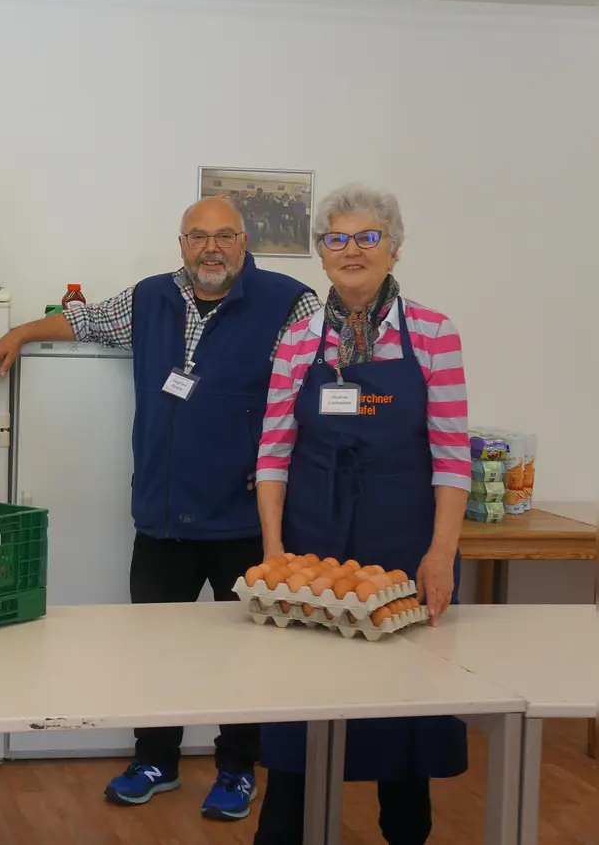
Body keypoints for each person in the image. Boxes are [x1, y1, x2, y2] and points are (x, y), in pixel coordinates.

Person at [0, 196, 320, 821]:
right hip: (163, 517)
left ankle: (237, 767)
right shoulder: (149, 299)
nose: (211, 248)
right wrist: (20, 332)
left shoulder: (289, 303)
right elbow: (84, 322)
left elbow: (312, 392)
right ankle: (155, 761)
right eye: (198, 236)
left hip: (245, 518)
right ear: (181, 243)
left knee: (245, 655)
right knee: (154, 650)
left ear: (244, 243)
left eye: (224, 236)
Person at [251, 183, 471, 845]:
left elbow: (452, 458)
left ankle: (406, 833)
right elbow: (273, 452)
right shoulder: (298, 339)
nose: (352, 250)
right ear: (321, 254)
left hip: (404, 540)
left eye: (368, 237)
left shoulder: (432, 334)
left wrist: (440, 553)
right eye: (337, 239)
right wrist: (273, 553)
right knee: (299, 713)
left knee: (404, 712)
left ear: (393, 249)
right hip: (312, 540)